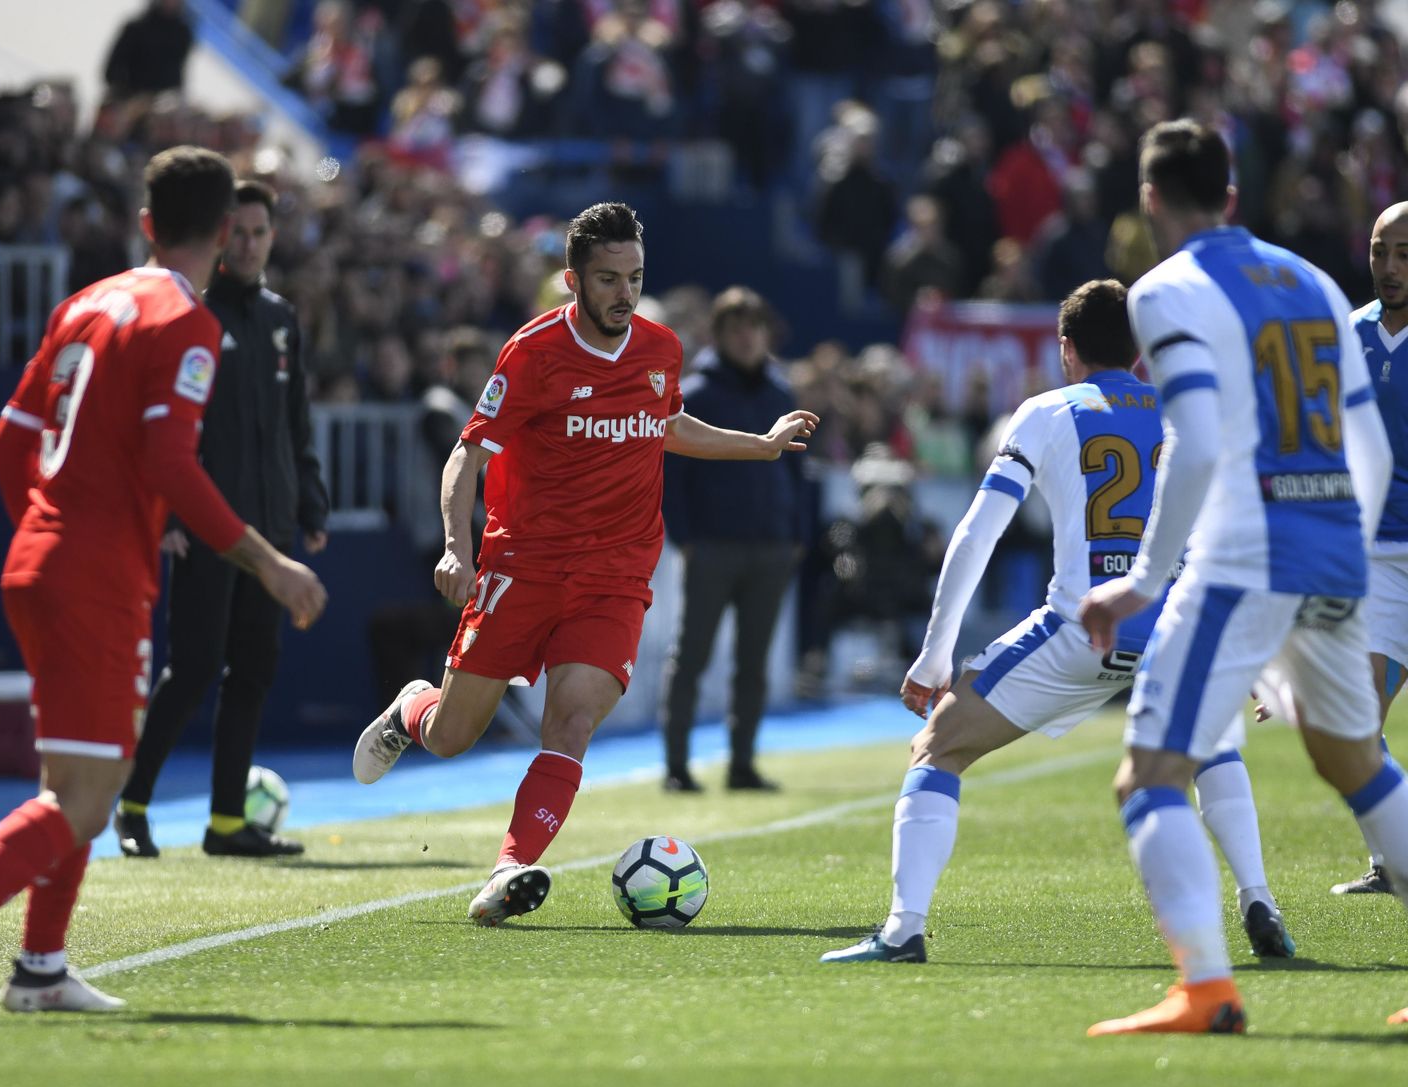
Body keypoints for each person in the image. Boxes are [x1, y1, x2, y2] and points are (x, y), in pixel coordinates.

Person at [0, 146, 327, 1025]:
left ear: (147, 223)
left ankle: (40, 966)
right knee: (85, 792)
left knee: (78, 779)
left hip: (44, 560)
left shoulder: (86, 302)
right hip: (92, 573)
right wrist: (269, 561)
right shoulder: (190, 326)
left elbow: (9, 444)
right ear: (227, 234)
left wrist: (52, 526)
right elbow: (169, 460)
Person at [351, 202, 818, 926]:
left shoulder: (660, 350)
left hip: (615, 573)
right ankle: (414, 709)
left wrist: (757, 443)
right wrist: (455, 543)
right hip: (523, 563)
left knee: (569, 721)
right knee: (451, 737)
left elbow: (665, 424)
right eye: (607, 279)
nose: (622, 294)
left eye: (633, 277)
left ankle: (509, 868)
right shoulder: (532, 354)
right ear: (572, 280)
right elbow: (468, 452)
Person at [821, 279, 1293, 967]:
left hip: (1082, 629)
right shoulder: (1189, 414)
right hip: (1176, 627)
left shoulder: (1044, 412)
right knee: (1213, 744)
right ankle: (1258, 897)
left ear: (1066, 349)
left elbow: (977, 533)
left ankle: (903, 928)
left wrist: (934, 653)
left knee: (938, 747)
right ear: (1137, 350)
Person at [1079, 119, 1405, 1035]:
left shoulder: (1167, 289)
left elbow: (1196, 442)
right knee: (1355, 760)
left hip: (1246, 556)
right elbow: (1368, 443)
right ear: (1231, 193)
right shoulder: (1312, 282)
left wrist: (1142, 581)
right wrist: (1342, 543)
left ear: (1149, 201)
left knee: (1149, 773)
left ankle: (1207, 989)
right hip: (1341, 550)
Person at [114, 180, 329, 859]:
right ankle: (134, 802)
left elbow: (297, 425)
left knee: (254, 668)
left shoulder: (278, 319)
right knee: (196, 666)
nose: (248, 243)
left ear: (271, 237)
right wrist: (170, 514)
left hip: (272, 526)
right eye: (237, 232)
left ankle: (227, 822)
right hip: (207, 529)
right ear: (217, 236)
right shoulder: (191, 319)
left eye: (259, 232)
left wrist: (310, 500)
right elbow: (162, 433)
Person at [660, 286, 809, 792]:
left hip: (770, 547)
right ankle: (677, 766)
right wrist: (686, 539)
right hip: (712, 547)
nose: (747, 337)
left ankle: (741, 764)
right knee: (693, 657)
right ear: (719, 336)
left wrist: (796, 534)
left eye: (754, 326)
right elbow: (672, 476)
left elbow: (798, 472)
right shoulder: (695, 395)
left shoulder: (779, 393)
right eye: (736, 328)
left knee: (754, 663)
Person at [1331, 201, 1408, 896]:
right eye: (1382, 251)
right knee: (1357, 720)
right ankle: (1394, 859)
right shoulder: (1347, 337)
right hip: (1379, 559)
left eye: (1404, 255)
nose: (1390, 267)